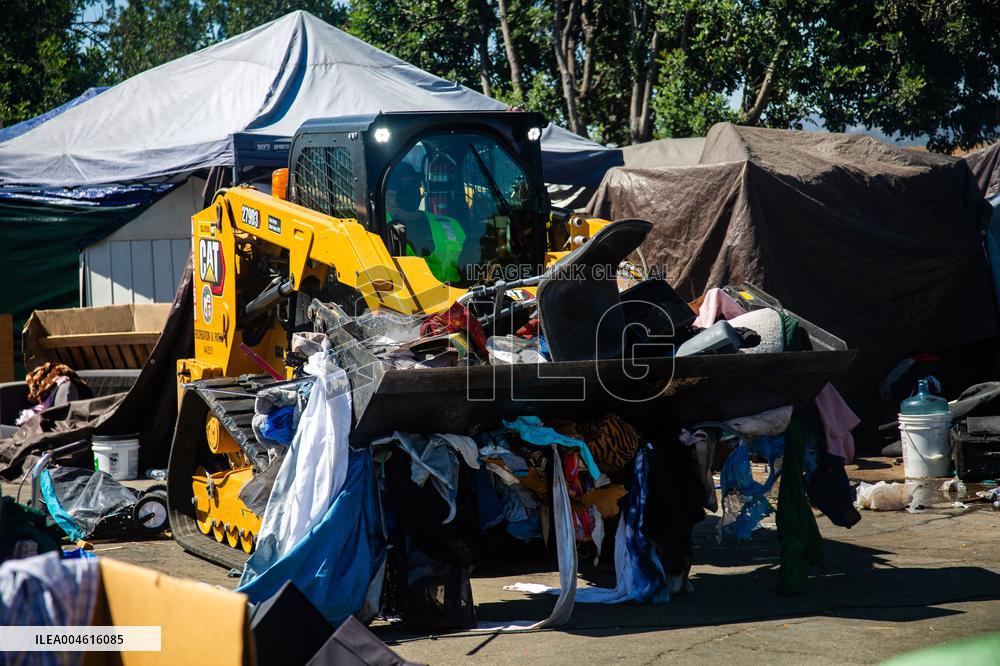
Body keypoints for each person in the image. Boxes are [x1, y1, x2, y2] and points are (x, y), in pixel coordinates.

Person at [385, 162, 467, 284]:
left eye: (415, 183)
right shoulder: (375, 228)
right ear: (387, 193)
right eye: (405, 185)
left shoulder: (450, 224)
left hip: (459, 294)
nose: (412, 189)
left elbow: (468, 265)